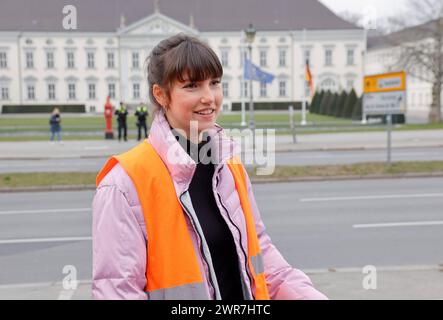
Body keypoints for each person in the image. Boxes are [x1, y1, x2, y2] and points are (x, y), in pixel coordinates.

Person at [92, 34, 327, 300]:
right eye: (192, 85)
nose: (209, 97)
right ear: (161, 95)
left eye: (214, 83)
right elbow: (117, 292)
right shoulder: (123, 184)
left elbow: (262, 258)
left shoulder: (229, 167)